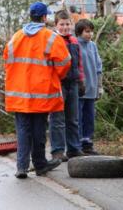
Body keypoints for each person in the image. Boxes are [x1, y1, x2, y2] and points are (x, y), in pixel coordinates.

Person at [4, 2, 72, 179]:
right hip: (41, 95)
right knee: (38, 130)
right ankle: (40, 164)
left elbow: (7, 60)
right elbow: (64, 64)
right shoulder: (51, 38)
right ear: (44, 17)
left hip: (19, 94)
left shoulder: (16, 37)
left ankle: (21, 167)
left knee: (23, 130)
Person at [49, 10, 86, 162]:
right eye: (61, 24)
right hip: (59, 84)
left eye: (67, 24)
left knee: (73, 118)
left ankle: (74, 148)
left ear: (72, 25)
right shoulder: (54, 41)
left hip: (73, 82)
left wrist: (81, 80)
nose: (65, 27)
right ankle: (57, 150)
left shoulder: (74, 41)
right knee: (57, 118)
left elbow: (79, 63)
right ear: (56, 25)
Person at [75, 19, 103, 155]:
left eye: (91, 31)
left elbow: (98, 67)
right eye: (87, 31)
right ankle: (77, 145)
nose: (90, 34)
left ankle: (87, 144)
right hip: (80, 90)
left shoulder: (93, 46)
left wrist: (100, 86)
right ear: (79, 31)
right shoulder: (75, 45)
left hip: (92, 89)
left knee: (89, 118)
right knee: (78, 118)